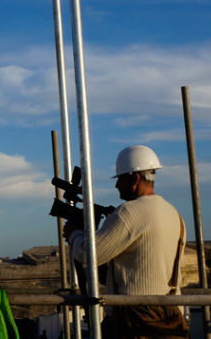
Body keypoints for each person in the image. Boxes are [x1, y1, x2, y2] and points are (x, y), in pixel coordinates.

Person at [66, 145, 188, 339]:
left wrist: (74, 234)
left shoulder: (128, 213)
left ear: (134, 178)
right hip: (170, 316)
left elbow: (88, 255)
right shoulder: (174, 214)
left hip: (136, 320)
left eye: (120, 180)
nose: (117, 186)